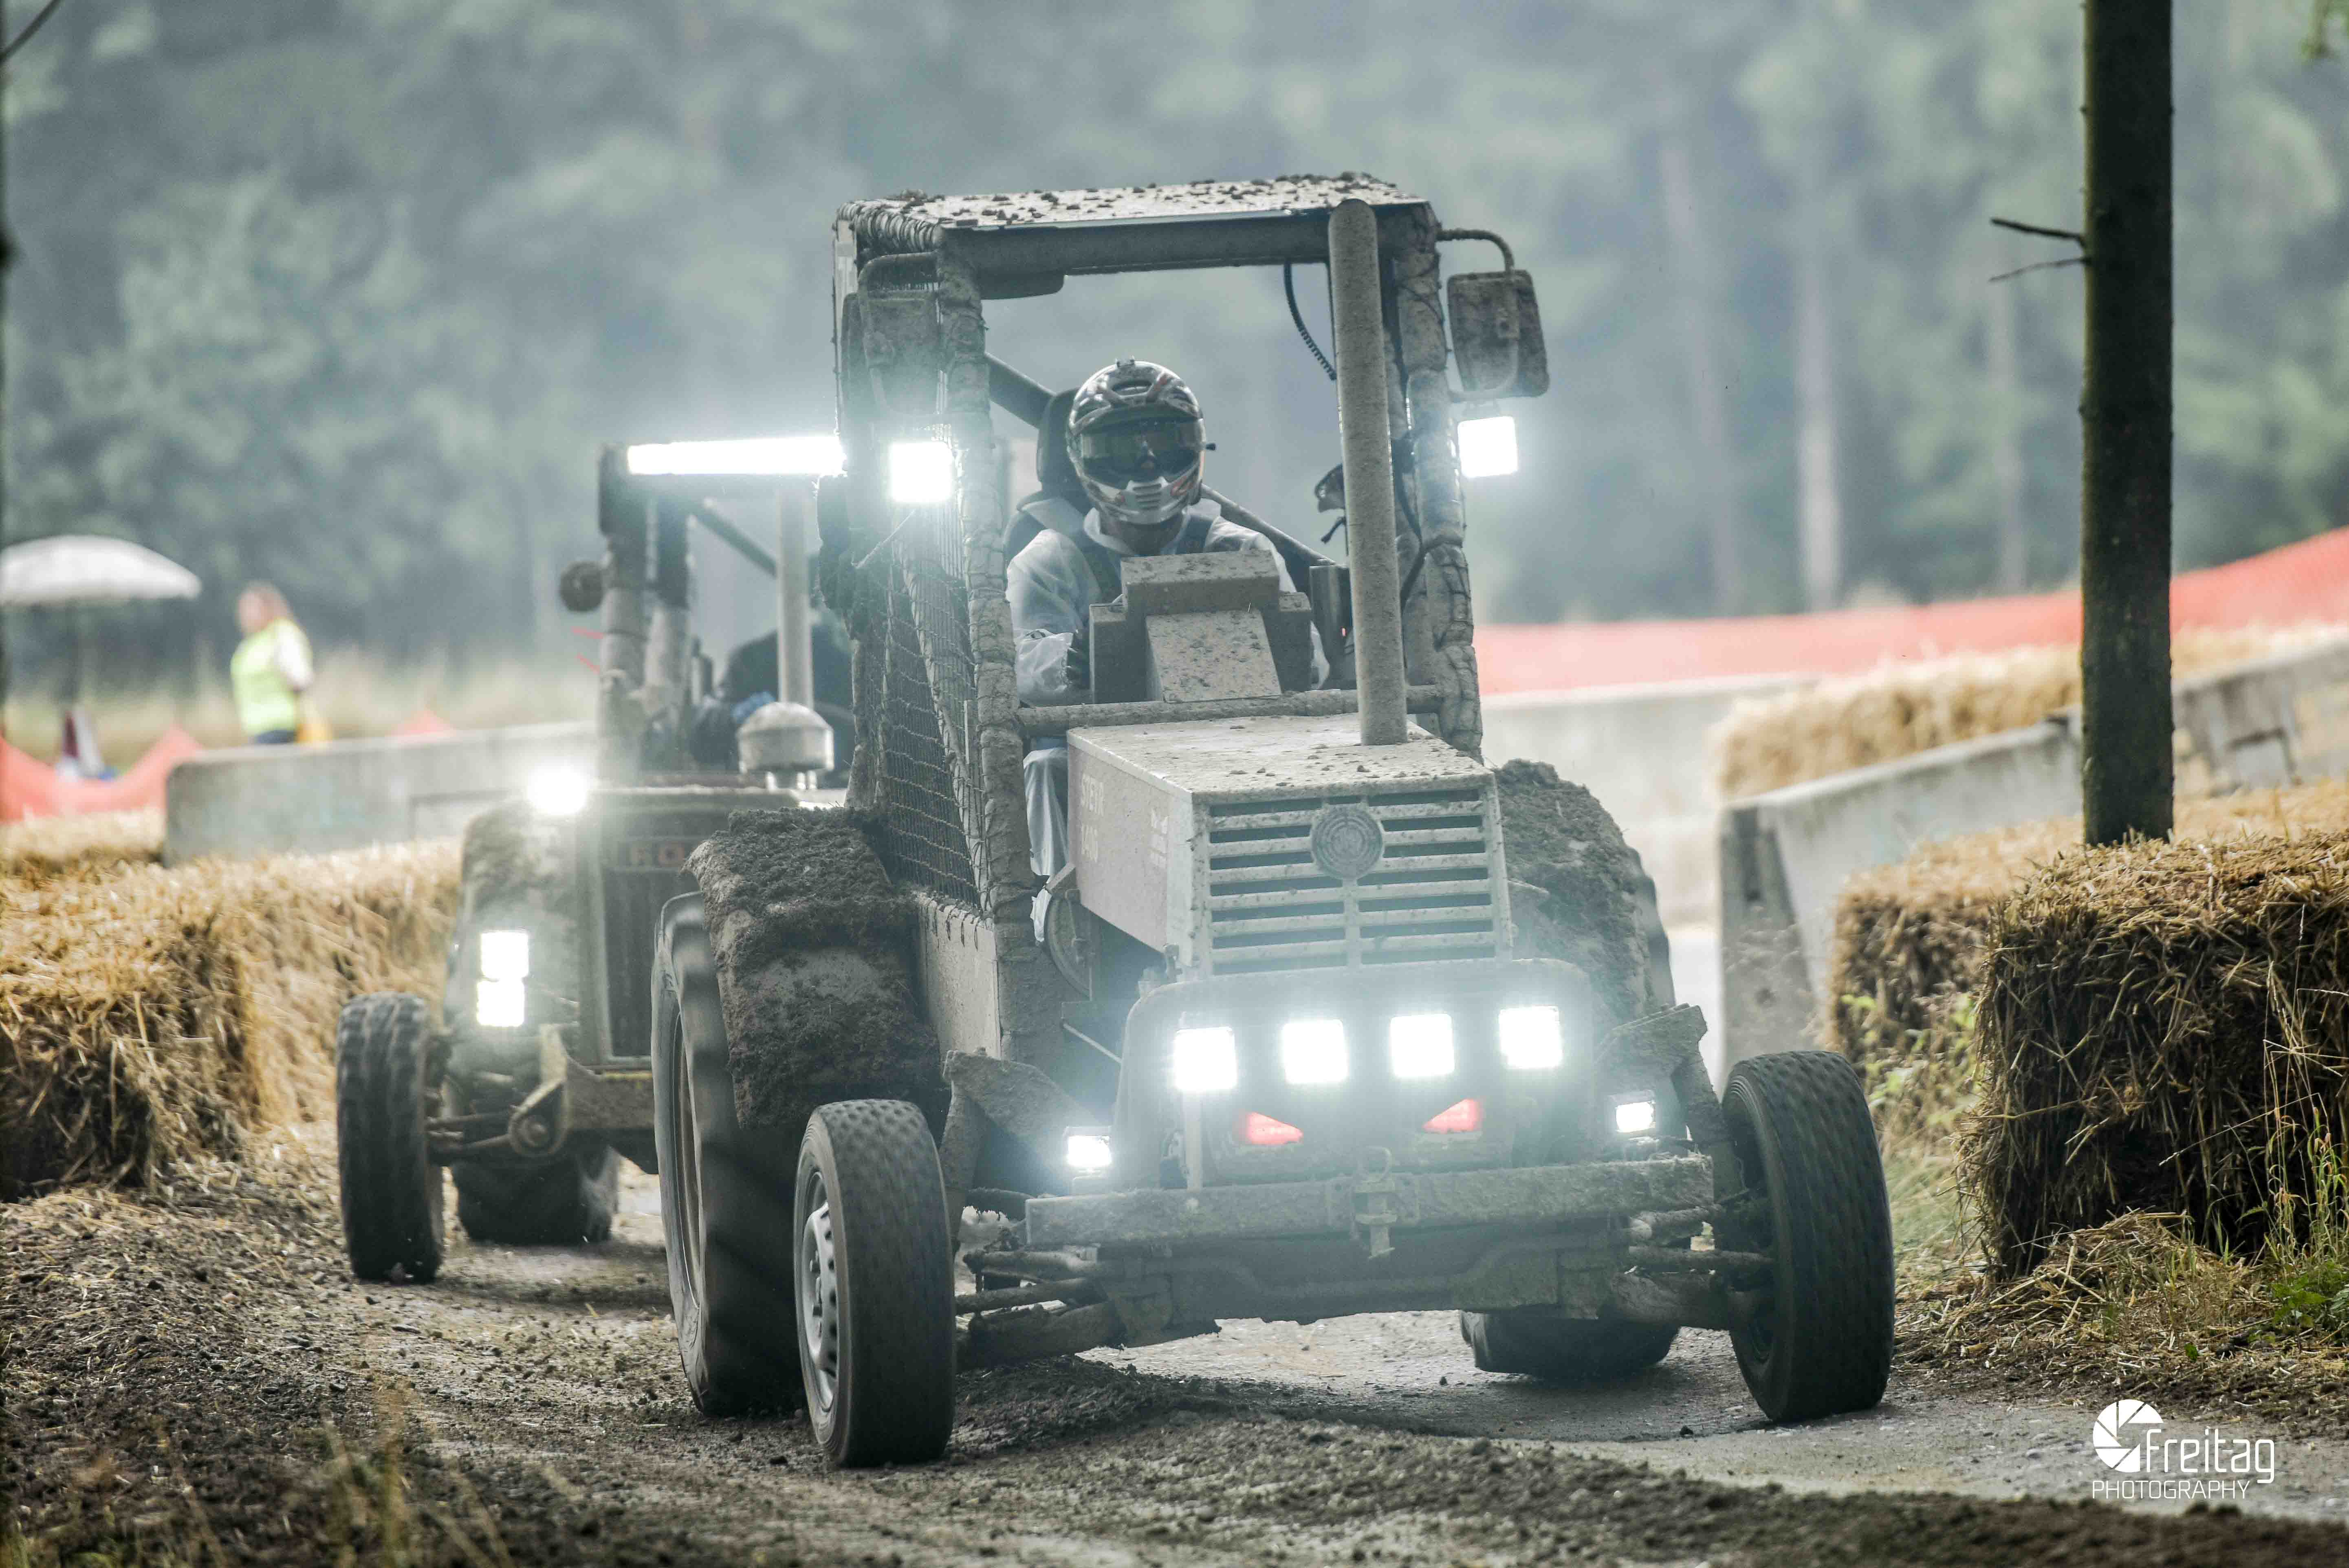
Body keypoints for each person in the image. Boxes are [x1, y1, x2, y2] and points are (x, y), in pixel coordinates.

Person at [1008, 359, 1323, 928]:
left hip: (1230, 746)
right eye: (1123, 449)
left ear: (1193, 449)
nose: (1147, 466)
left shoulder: (1239, 550)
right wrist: (1075, 658)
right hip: (1099, 758)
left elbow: (1311, 666)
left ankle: (1295, 902)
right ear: (1083, 461)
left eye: (1163, 444)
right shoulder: (1051, 561)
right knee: (1046, 767)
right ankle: (1064, 921)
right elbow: (1025, 666)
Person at [231, 582, 315, 746]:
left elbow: (301, 678)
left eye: (253, 608)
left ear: (268, 608)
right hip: (256, 727)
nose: (248, 615)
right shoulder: (250, 643)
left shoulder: (282, 635)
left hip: (282, 726)